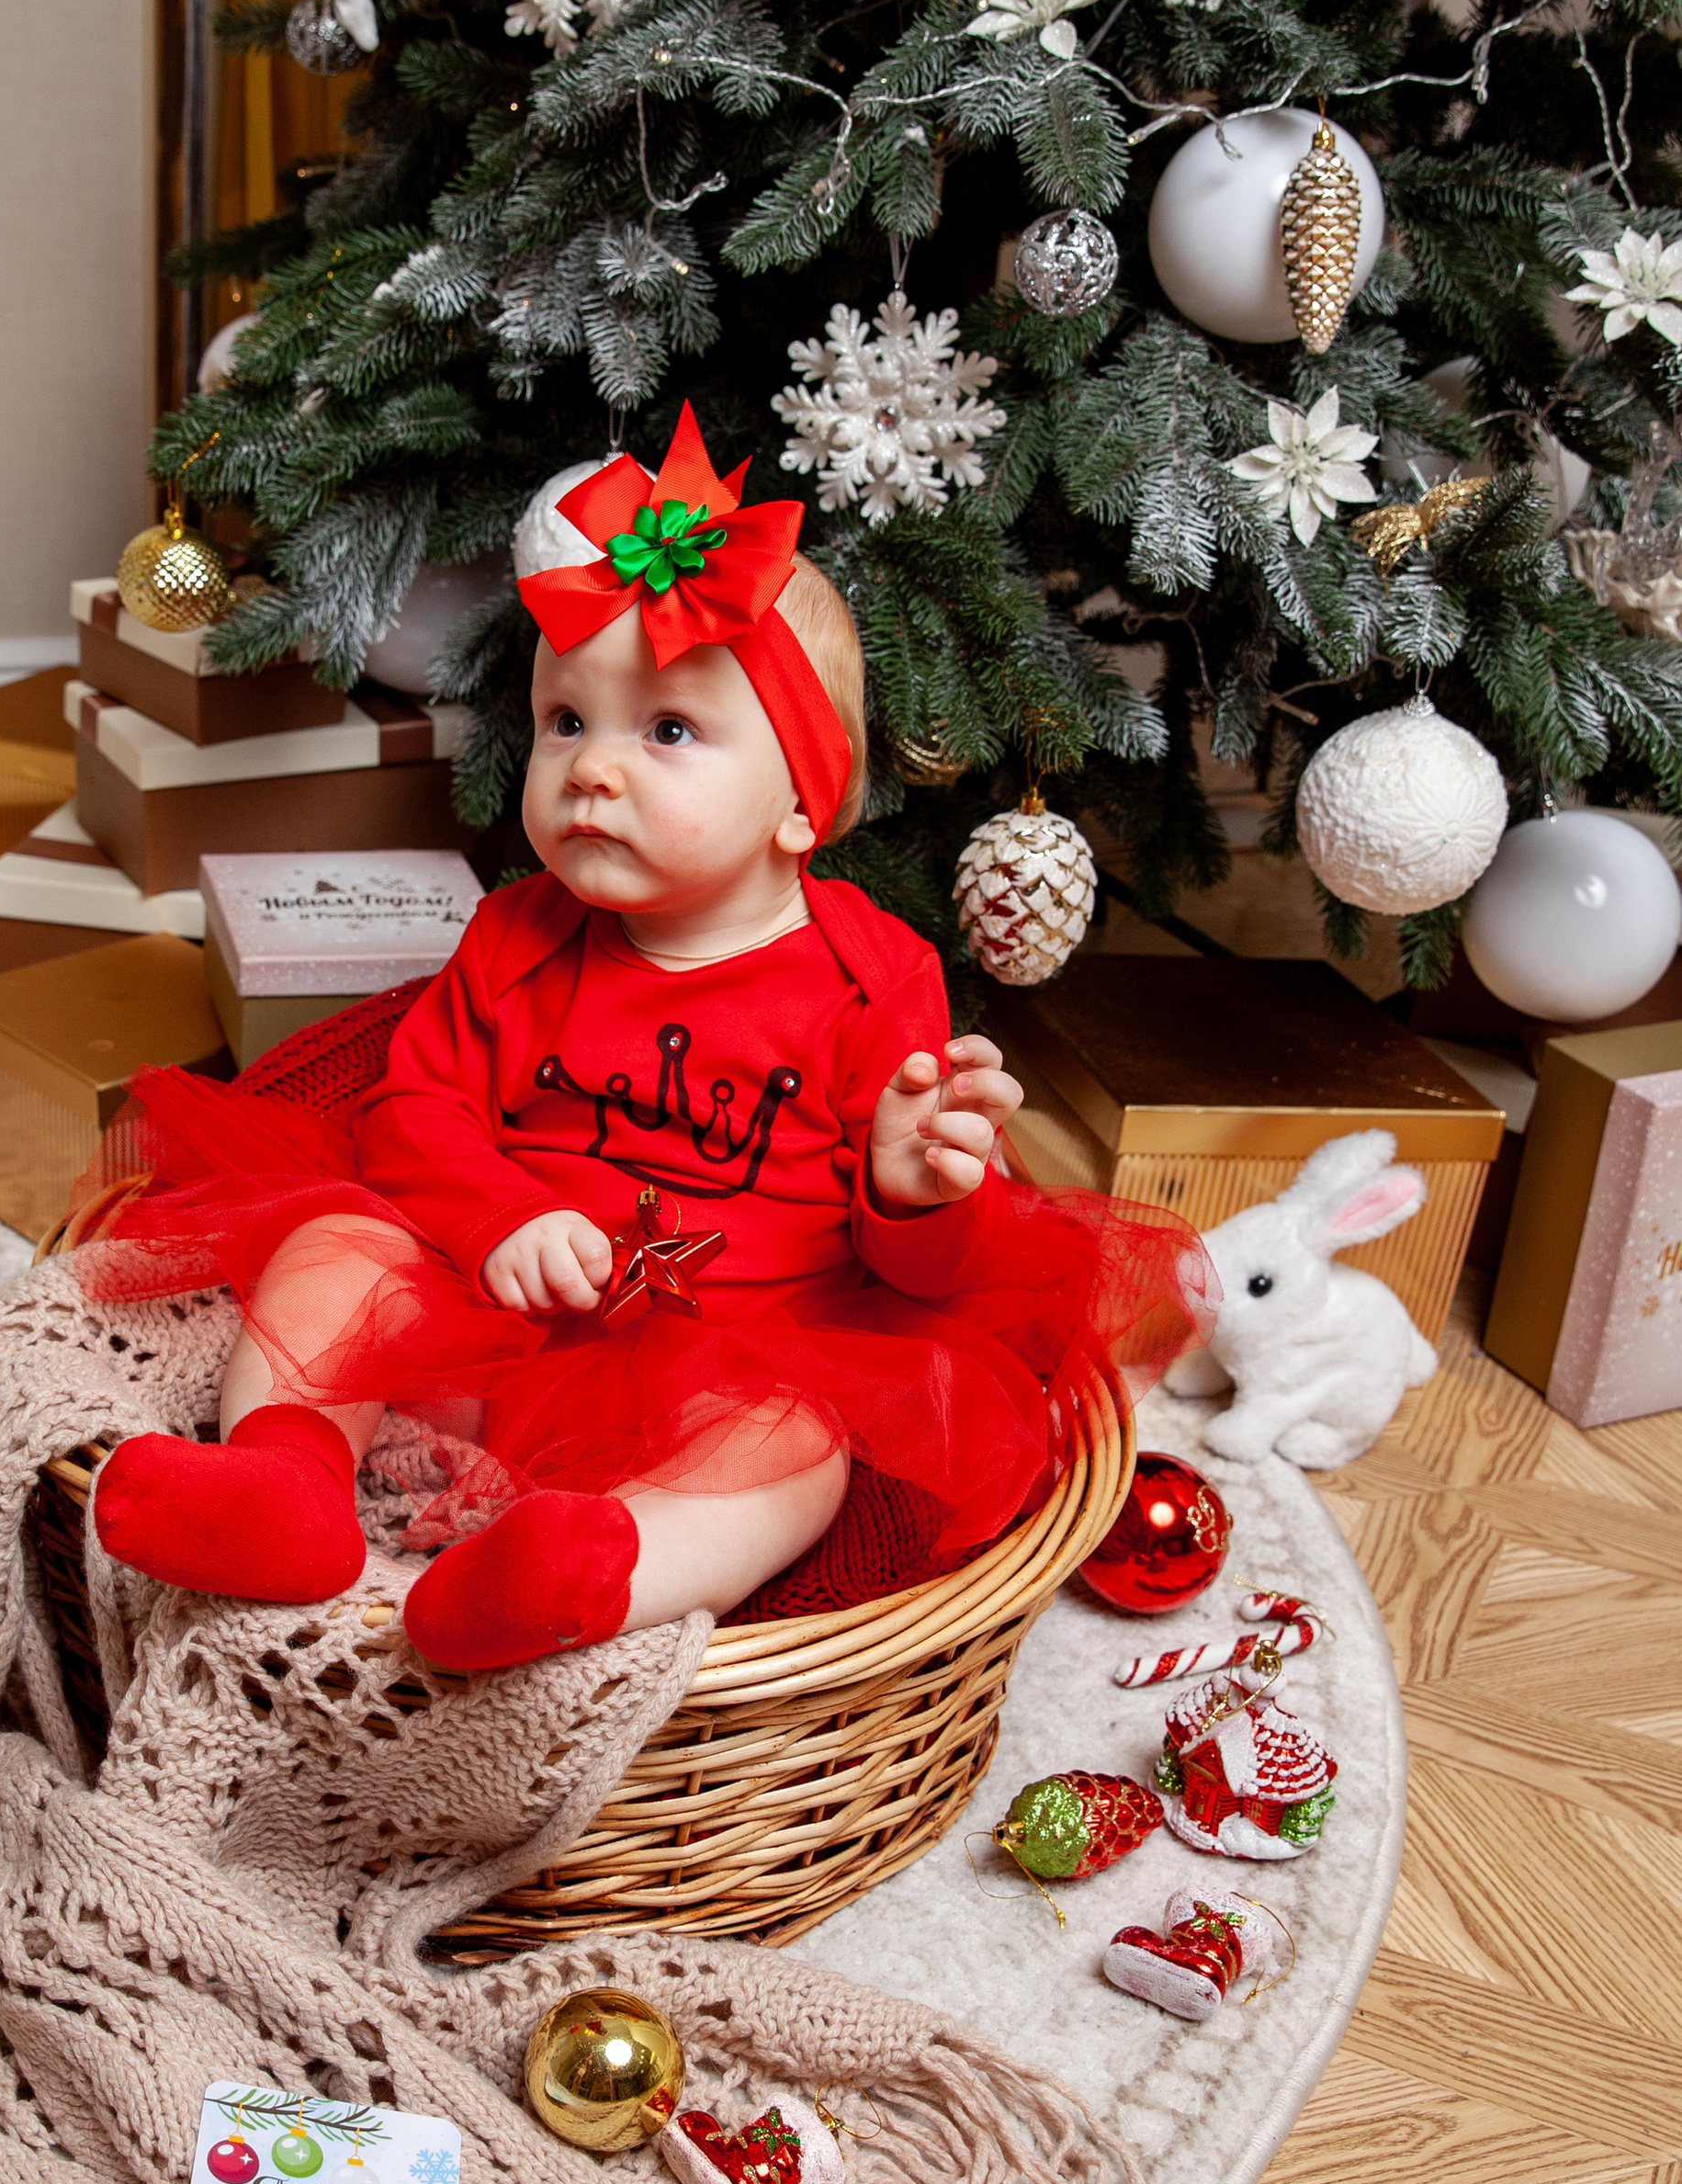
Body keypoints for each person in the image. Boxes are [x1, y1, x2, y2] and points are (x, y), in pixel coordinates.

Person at [84, 407, 1203, 1671]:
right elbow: (410, 1116)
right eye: (567, 721)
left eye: (668, 732)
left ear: (802, 802)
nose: (592, 770)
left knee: (799, 1457)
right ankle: (286, 1483)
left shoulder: (873, 976)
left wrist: (910, 1189)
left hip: (720, 1373)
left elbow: (929, 1284)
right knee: (333, 1248)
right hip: (479, 1332)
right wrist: (501, 1216)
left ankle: (590, 1571)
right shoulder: (517, 933)